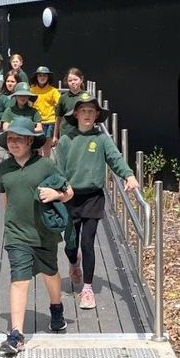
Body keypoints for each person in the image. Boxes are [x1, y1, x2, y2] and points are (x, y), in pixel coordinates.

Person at [0, 120, 74, 356]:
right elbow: (5, 197)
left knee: (50, 273)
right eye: (10, 139)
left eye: (19, 138)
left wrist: (55, 194)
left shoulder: (46, 166)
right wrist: (8, 224)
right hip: (16, 234)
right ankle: (16, 334)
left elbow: (69, 193)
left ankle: (56, 308)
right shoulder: (3, 168)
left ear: (31, 141)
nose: (14, 143)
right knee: (19, 280)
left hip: (43, 234)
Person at [57, 93, 139, 309]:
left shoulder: (101, 139)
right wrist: (60, 191)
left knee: (88, 242)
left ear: (96, 116)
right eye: (83, 111)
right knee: (71, 244)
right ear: (75, 114)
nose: (87, 114)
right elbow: (58, 171)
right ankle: (74, 262)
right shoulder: (66, 140)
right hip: (70, 197)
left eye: (91, 111)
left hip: (93, 197)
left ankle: (87, 289)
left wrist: (128, 175)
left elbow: (115, 158)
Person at [30, 66, 62, 155]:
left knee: (47, 145)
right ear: (36, 77)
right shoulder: (32, 90)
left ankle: (46, 163)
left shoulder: (53, 91)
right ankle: (40, 163)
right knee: (37, 145)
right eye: (40, 75)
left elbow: (60, 104)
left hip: (49, 121)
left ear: (48, 77)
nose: (42, 77)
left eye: (45, 75)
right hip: (36, 121)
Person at [53, 67, 87, 142]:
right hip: (66, 134)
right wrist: (55, 136)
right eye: (70, 80)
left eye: (75, 79)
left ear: (81, 80)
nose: (73, 82)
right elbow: (58, 118)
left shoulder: (87, 97)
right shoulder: (63, 98)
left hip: (82, 135)